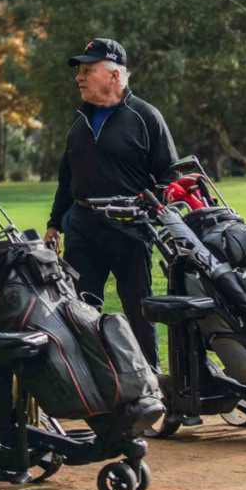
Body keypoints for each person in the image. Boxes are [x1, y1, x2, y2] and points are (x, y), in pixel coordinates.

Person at [45, 38, 178, 371]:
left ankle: (149, 380)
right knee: (78, 310)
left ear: (115, 75)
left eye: (88, 70)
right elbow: (66, 179)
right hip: (82, 229)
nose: (79, 77)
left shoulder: (145, 117)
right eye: (79, 71)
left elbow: (170, 175)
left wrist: (149, 209)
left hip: (130, 230)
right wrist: (54, 224)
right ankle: (90, 382)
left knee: (139, 309)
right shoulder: (79, 122)